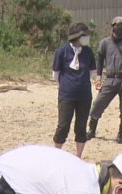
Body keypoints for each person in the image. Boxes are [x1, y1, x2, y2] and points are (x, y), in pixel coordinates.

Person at [86, 16, 122, 145]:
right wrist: (98, 77)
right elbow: (99, 60)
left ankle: (121, 134)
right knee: (98, 104)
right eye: (118, 25)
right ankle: (91, 130)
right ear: (112, 26)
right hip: (110, 78)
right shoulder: (105, 43)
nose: (120, 27)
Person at [52, 22, 94, 158]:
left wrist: (98, 81)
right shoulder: (61, 51)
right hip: (67, 95)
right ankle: (57, 154)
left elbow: (92, 72)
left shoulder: (88, 52)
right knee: (63, 126)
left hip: (85, 95)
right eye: (84, 35)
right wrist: (67, 85)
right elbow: (56, 75)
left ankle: (78, 156)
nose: (87, 38)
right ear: (76, 37)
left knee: (81, 127)